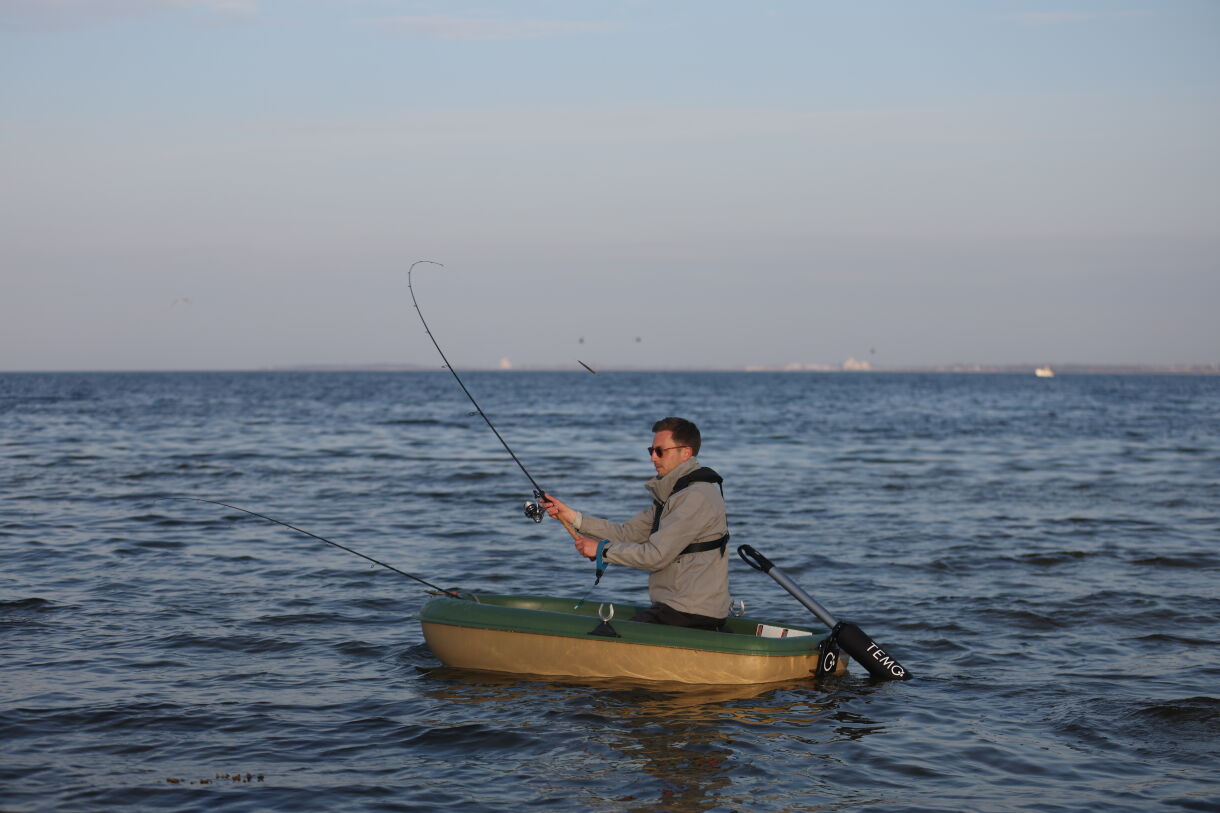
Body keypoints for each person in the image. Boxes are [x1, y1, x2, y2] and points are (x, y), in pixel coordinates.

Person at [543, 417, 731, 630]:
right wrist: (572, 517)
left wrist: (601, 550)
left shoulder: (695, 496)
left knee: (606, 635)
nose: (652, 457)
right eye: (651, 450)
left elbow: (656, 556)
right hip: (676, 608)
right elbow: (627, 533)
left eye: (660, 451)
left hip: (691, 613)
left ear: (685, 453)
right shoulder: (675, 494)